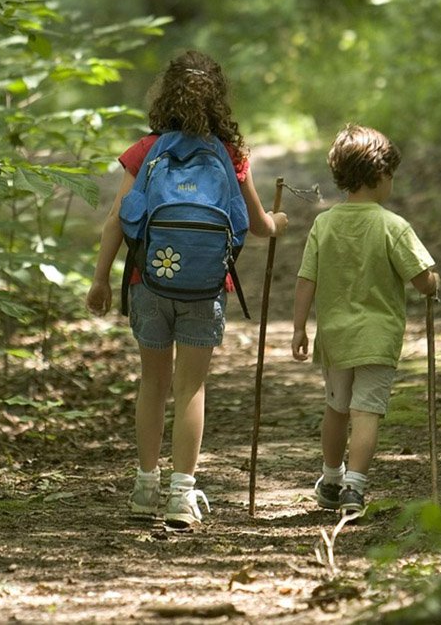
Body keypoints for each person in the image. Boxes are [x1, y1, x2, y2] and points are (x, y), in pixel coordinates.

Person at [86, 50, 288, 527]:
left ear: (166, 94)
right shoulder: (230, 153)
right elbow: (258, 226)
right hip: (204, 287)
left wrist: (100, 279)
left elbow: (118, 217)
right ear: (219, 99)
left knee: (153, 384)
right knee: (191, 386)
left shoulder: (146, 149)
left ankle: (143, 487)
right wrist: (277, 221)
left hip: (148, 281)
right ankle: (182, 494)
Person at [291, 124, 439, 516]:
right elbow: (422, 279)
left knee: (336, 408)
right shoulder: (393, 226)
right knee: (367, 411)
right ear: (380, 175)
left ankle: (331, 479)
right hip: (377, 338)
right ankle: (354, 488)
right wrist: (434, 283)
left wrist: (299, 327)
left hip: (336, 337)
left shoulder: (324, 224)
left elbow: (307, 278)